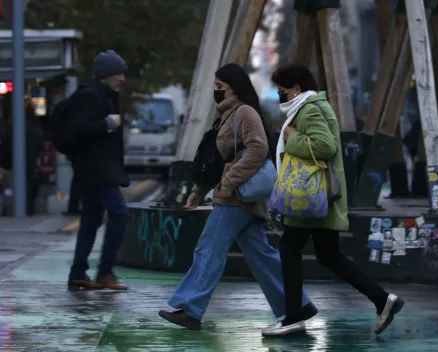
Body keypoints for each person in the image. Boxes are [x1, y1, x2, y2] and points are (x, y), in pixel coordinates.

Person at [158, 63, 317, 330]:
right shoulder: (227, 115)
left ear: (235, 88)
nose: (215, 91)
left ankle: (189, 308)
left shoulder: (244, 112)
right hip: (242, 197)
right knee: (262, 255)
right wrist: (200, 188)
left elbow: (258, 149)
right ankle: (297, 304)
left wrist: (230, 182)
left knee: (209, 249)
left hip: (236, 197)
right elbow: (219, 159)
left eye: (220, 87)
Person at [262, 64, 405, 337]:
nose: (280, 95)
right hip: (317, 198)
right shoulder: (306, 107)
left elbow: (325, 146)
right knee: (328, 255)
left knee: (290, 249)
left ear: (296, 89)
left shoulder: (310, 109)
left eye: (282, 91)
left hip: (311, 196)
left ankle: (295, 316)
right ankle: (382, 299)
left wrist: (292, 139)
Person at [67, 50, 129, 291]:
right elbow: (79, 130)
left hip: (95, 169)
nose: (122, 78)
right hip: (96, 170)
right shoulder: (91, 96)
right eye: (118, 73)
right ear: (105, 75)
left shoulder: (103, 93)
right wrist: (107, 124)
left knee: (91, 220)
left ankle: (78, 273)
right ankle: (105, 271)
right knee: (119, 213)